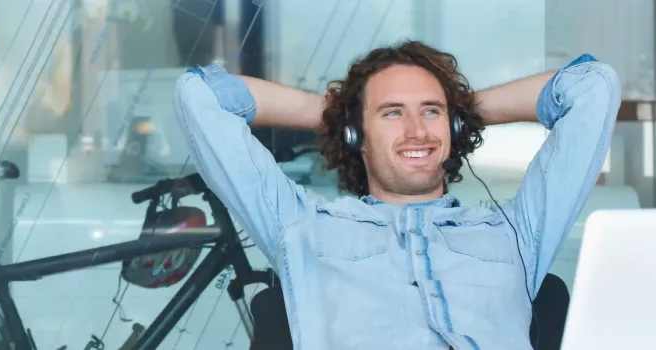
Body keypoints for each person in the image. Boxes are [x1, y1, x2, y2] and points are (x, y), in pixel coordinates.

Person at [172, 40, 619, 349]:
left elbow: (592, 85)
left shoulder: (516, 234)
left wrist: (463, 109)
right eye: (392, 113)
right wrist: (338, 112)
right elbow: (201, 96)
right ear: (356, 135)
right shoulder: (303, 227)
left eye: (431, 111)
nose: (417, 131)